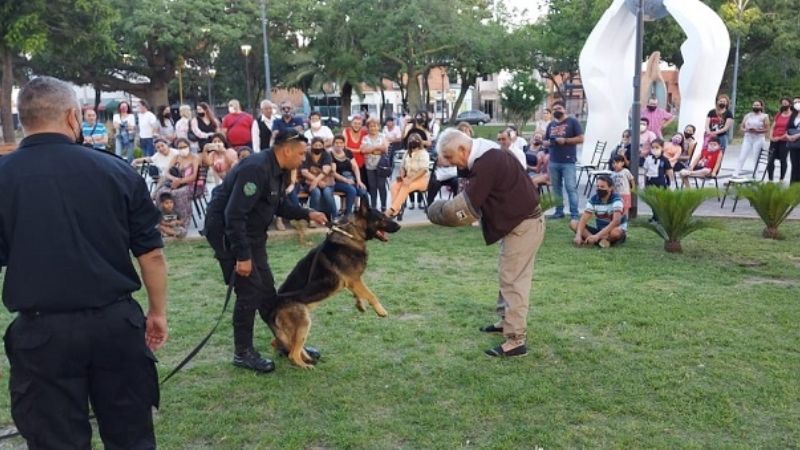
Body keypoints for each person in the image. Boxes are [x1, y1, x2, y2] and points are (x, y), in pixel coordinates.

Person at [0, 76, 167, 447]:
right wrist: (157, 311)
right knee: (131, 436)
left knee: (56, 440)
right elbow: (151, 253)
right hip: (115, 326)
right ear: (73, 117)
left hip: (42, 336)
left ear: (23, 119)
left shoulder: (4, 177)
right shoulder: (116, 170)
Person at [204, 129, 327, 373]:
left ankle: (285, 342)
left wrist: (307, 213)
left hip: (252, 235)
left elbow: (277, 204)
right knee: (249, 292)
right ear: (286, 149)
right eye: (301, 153)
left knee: (268, 291)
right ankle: (243, 353)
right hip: (229, 235)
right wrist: (242, 256)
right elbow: (233, 215)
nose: (304, 158)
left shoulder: (279, 171)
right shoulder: (256, 168)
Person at [429, 128, 545, 357]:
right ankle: (505, 321)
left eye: (452, 158)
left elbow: (466, 210)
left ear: (463, 149)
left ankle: (516, 340)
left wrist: (438, 212)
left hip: (524, 225)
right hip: (519, 224)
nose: (454, 165)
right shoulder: (485, 151)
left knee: (513, 281)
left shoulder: (487, 161)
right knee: (507, 274)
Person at [544, 100, 584, 220]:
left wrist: (565, 140)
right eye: (554, 109)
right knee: (556, 188)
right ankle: (559, 212)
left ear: (564, 110)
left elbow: (581, 138)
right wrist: (546, 143)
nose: (556, 111)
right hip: (554, 161)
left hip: (568, 161)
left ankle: (574, 214)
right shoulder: (551, 125)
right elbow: (546, 140)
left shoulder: (573, 122)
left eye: (559, 108)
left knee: (570, 187)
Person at [570, 174, 627, 248]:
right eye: (597, 186)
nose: (599, 189)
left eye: (602, 187)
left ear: (610, 188)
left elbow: (616, 221)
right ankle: (599, 241)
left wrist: (597, 235)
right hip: (600, 230)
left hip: (613, 230)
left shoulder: (617, 199)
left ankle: (596, 239)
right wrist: (578, 235)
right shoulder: (593, 199)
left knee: (615, 233)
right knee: (573, 223)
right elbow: (584, 218)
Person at [154, 137, 201, 227]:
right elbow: (166, 172)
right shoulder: (176, 157)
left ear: (189, 146)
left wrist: (180, 181)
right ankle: (164, 220)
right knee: (160, 192)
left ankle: (182, 221)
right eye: (180, 147)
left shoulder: (195, 158)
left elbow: (194, 176)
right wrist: (174, 179)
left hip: (191, 185)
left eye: (184, 147)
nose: (183, 149)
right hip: (175, 183)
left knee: (178, 193)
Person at [386, 134, 430, 218]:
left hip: (421, 179)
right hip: (408, 177)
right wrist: (402, 176)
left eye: (415, 140)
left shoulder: (424, 153)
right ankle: (397, 210)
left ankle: (391, 210)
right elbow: (402, 166)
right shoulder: (407, 153)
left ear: (419, 142)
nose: (412, 142)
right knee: (394, 186)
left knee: (405, 187)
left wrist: (410, 180)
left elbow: (424, 170)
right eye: (411, 140)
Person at [301, 137, 338, 220]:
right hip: (309, 182)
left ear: (323, 146)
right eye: (315, 145)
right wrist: (316, 182)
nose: (318, 147)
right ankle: (312, 218)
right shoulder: (306, 154)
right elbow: (304, 172)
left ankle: (335, 216)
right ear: (311, 145)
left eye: (320, 145)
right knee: (316, 192)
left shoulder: (326, 154)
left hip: (326, 182)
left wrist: (316, 181)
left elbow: (326, 170)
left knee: (327, 193)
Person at [331, 134, 368, 215]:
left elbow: (355, 167)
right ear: (333, 144)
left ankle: (364, 214)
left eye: (341, 143)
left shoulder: (348, 152)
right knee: (351, 190)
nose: (339, 145)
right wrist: (345, 180)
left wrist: (359, 181)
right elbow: (333, 172)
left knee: (363, 191)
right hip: (337, 181)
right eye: (336, 143)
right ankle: (348, 214)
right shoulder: (330, 154)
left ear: (344, 144)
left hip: (351, 179)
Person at [734, 99, 770, 178]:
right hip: (748, 138)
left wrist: (758, 131)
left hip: (758, 138)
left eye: (757, 105)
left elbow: (767, 129)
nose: (755, 106)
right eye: (754, 105)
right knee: (742, 156)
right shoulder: (748, 115)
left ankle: (756, 175)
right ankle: (736, 173)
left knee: (756, 157)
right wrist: (746, 130)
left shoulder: (764, 116)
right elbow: (741, 127)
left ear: (761, 106)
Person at [362, 117, 389, 211]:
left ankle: (384, 206)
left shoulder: (383, 136)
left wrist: (371, 149)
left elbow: (385, 149)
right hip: (369, 165)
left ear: (378, 127)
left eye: (375, 126)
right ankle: (373, 206)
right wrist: (377, 148)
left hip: (381, 166)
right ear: (367, 127)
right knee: (372, 186)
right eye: (371, 126)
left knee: (381, 185)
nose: (373, 128)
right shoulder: (365, 138)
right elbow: (363, 150)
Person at [786, 96, 800, 183]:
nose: (797, 104)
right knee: (794, 165)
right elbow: (788, 127)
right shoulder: (792, 115)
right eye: (795, 102)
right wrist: (787, 136)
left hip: (797, 139)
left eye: (798, 101)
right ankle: (793, 187)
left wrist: (798, 135)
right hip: (793, 144)